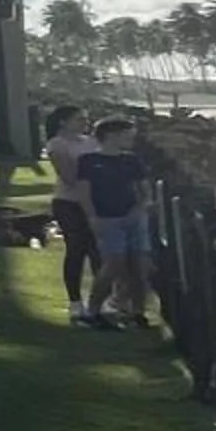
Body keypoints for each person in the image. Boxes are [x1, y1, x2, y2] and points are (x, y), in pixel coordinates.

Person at [78, 116, 152, 329]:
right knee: (113, 264)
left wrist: (139, 210)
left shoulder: (131, 160)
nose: (130, 139)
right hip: (107, 219)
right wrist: (92, 217)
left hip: (134, 218)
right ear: (110, 136)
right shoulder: (89, 161)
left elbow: (145, 190)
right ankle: (92, 310)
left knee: (140, 265)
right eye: (126, 135)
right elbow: (85, 192)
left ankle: (138, 312)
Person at [43, 105, 101, 324]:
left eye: (85, 119)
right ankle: (75, 302)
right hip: (68, 203)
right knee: (76, 248)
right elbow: (68, 176)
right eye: (79, 119)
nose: (84, 123)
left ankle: (99, 300)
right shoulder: (57, 144)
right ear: (63, 122)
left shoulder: (91, 142)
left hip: (95, 202)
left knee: (98, 251)